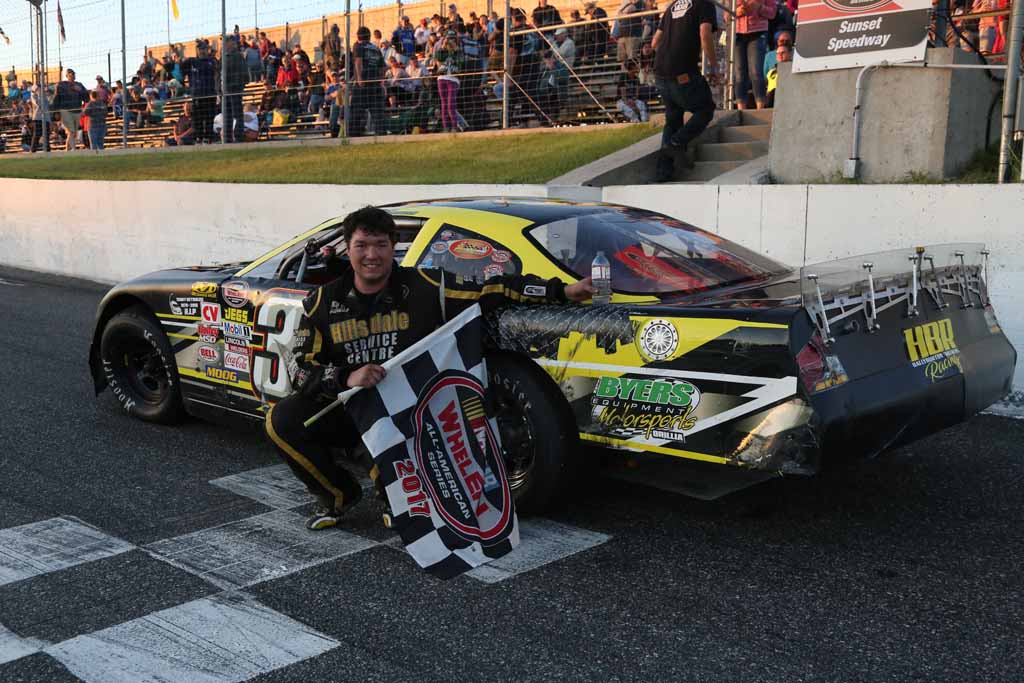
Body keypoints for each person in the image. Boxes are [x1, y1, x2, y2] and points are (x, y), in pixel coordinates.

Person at [264, 206, 595, 530]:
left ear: (394, 246)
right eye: (361, 245)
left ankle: (386, 480)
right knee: (282, 419)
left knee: (405, 515)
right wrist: (347, 377)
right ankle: (338, 494)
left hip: (409, 417)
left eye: (381, 245)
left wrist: (562, 290)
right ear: (347, 249)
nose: (371, 255)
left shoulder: (427, 285)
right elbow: (300, 369)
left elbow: (494, 287)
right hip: (350, 408)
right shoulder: (321, 302)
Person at [651, 0, 721, 182]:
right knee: (705, 109)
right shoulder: (705, 4)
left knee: (673, 120)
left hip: (660, 72)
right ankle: (676, 143)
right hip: (683, 72)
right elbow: (705, 35)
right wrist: (714, 67)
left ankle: (663, 172)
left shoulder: (672, 6)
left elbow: (654, 42)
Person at [726, 0, 775, 109]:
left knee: (756, 71)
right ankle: (740, 108)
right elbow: (726, 16)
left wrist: (759, 7)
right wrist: (737, 12)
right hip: (737, 35)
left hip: (758, 34)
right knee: (739, 73)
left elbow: (772, 13)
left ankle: (760, 108)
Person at [351, 26, 386, 136]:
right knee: (377, 111)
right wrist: (381, 81)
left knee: (356, 110)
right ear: (369, 36)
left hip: (363, 83)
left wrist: (359, 79)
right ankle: (381, 133)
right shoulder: (376, 48)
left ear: (358, 36)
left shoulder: (358, 46)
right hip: (375, 82)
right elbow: (383, 68)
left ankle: (353, 134)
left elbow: (358, 62)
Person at [183, 42, 218, 142]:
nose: (202, 51)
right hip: (197, 95)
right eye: (200, 49)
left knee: (209, 118)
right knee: (198, 118)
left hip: (210, 94)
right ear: (197, 50)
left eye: (204, 49)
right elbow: (179, 71)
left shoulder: (212, 61)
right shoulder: (191, 62)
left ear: (207, 50)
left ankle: (208, 137)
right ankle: (199, 138)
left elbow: (216, 74)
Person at [434, 30, 465, 132]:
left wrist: (455, 49)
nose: (450, 41)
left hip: (453, 79)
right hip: (442, 78)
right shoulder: (442, 51)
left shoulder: (459, 51)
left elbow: (461, 61)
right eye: (448, 38)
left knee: (451, 104)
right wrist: (443, 46)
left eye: (452, 39)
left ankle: (454, 127)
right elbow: (438, 58)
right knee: (444, 104)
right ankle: (446, 127)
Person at [53, 68, 89, 150]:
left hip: (76, 111)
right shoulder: (61, 85)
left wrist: (80, 91)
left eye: (73, 74)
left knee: (73, 133)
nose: (72, 75)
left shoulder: (79, 85)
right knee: (71, 131)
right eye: (70, 74)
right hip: (65, 111)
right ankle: (73, 149)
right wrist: (56, 112)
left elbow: (87, 99)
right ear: (66, 75)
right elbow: (56, 98)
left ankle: (68, 150)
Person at [615, 0, 645, 66]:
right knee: (622, 60)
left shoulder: (639, 3)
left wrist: (623, 11)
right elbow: (618, 13)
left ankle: (634, 71)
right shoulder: (627, 3)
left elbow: (629, 10)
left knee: (632, 60)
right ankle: (623, 71)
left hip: (632, 36)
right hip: (622, 36)